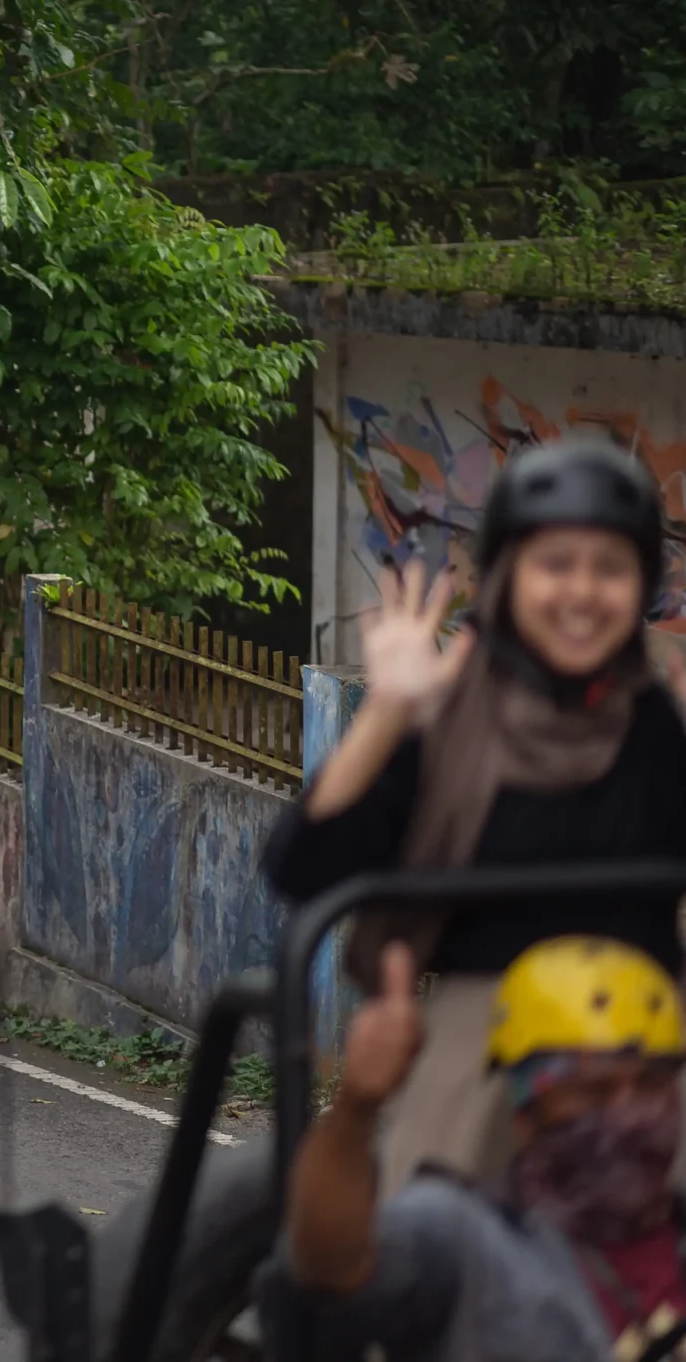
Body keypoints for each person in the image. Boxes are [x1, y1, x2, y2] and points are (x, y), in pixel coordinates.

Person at [267, 438, 686, 1185]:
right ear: (508, 577)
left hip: (641, 1029)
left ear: (642, 587)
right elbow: (302, 863)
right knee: (425, 1238)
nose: (582, 593)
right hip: (484, 1029)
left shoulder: (653, 722)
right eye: (556, 564)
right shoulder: (449, 717)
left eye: (611, 568)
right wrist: (389, 712)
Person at [280, 935, 686, 1359]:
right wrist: (356, 1109)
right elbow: (330, 1264)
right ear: (525, 1114)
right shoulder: (467, 1237)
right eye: (594, 1092)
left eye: (650, 1086)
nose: (628, 1113)